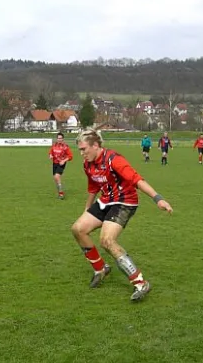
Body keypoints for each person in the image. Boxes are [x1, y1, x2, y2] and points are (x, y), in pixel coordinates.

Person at [71, 128, 173, 302]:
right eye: (79, 150)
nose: (81, 153)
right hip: (106, 201)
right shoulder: (88, 164)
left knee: (107, 241)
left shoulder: (113, 160)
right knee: (78, 229)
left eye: (83, 149)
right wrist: (87, 209)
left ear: (95, 145)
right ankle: (100, 268)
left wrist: (158, 199)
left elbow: (137, 179)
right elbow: (93, 187)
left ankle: (141, 283)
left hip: (125, 202)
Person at [48, 132, 73, 199]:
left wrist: (64, 161)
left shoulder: (65, 147)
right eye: (58, 138)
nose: (59, 139)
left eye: (61, 138)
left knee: (57, 176)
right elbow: (51, 152)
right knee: (55, 178)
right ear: (57, 139)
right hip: (54, 163)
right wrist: (50, 155)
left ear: (63, 139)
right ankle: (59, 191)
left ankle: (61, 194)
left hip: (61, 163)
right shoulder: (54, 145)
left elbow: (70, 156)